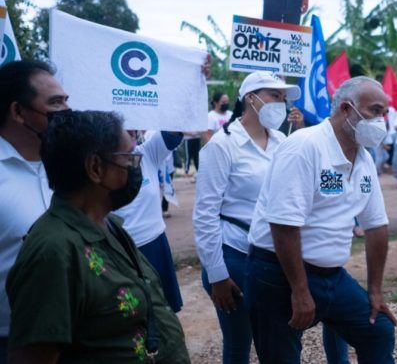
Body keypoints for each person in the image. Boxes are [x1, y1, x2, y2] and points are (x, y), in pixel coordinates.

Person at [6, 110, 189, 363]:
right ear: (95, 167)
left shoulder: (108, 225)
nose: (135, 168)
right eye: (129, 158)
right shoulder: (53, 253)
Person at [195, 72, 345, 364]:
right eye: (274, 96)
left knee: (284, 333)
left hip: (275, 255)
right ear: (250, 98)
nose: (281, 104)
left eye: (283, 98)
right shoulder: (222, 145)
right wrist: (217, 275)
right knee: (239, 341)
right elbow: (205, 213)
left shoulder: (283, 141)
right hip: (236, 254)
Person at [246, 76, 396, 363]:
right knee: (281, 358)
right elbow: (284, 225)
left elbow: (376, 225)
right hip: (278, 274)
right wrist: (300, 291)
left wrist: (375, 291)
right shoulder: (304, 146)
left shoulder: (363, 158)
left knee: (378, 330)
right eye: (375, 111)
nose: (381, 121)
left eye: (384, 114)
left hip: (331, 276)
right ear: (346, 109)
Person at [0, 60, 69, 364]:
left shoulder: (68, 165)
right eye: (55, 103)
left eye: (66, 100)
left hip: (72, 337)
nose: (66, 110)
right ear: (18, 112)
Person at [115, 129, 185, 313]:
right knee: (133, 314)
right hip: (121, 251)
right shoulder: (101, 162)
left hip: (155, 245)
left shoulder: (147, 152)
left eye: (133, 129)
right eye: (125, 128)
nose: (131, 132)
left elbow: (173, 131)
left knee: (164, 312)